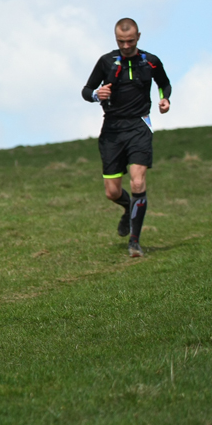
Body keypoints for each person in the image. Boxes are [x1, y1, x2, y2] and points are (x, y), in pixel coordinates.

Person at [81, 17, 171, 258]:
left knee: (138, 182)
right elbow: (86, 91)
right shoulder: (106, 61)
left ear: (138, 37)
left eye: (130, 41)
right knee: (112, 192)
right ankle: (127, 207)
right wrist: (97, 94)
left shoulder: (150, 61)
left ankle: (135, 242)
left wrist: (165, 99)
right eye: (121, 41)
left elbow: (164, 84)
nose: (126, 46)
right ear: (116, 39)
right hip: (112, 129)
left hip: (139, 126)